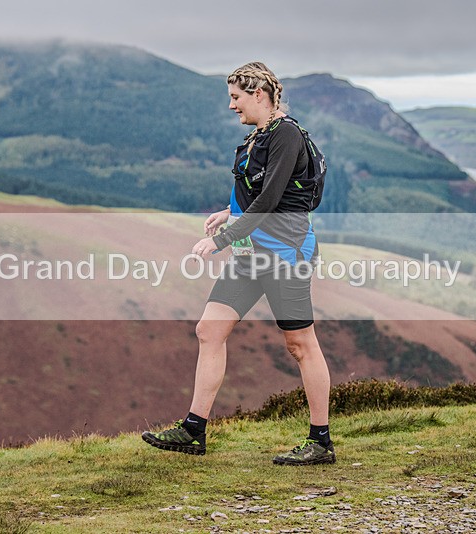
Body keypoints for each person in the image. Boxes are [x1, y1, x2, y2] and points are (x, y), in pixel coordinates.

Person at [142, 62, 334, 466]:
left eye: (236, 97)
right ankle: (194, 431)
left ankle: (321, 442)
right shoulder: (260, 136)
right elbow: (259, 194)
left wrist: (220, 240)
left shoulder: (286, 136)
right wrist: (227, 214)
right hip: (250, 255)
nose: (231, 106)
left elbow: (268, 202)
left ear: (259, 95)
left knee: (300, 345)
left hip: (285, 257)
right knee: (209, 330)